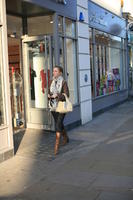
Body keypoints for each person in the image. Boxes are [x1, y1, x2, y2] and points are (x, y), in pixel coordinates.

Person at [48, 66, 69, 155]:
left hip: (61, 107)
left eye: (56, 71)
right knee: (59, 123)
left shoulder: (63, 82)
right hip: (53, 107)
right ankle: (66, 138)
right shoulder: (52, 82)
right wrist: (49, 96)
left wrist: (57, 96)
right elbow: (49, 92)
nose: (54, 73)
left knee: (58, 124)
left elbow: (67, 95)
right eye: (53, 71)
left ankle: (56, 146)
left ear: (60, 73)